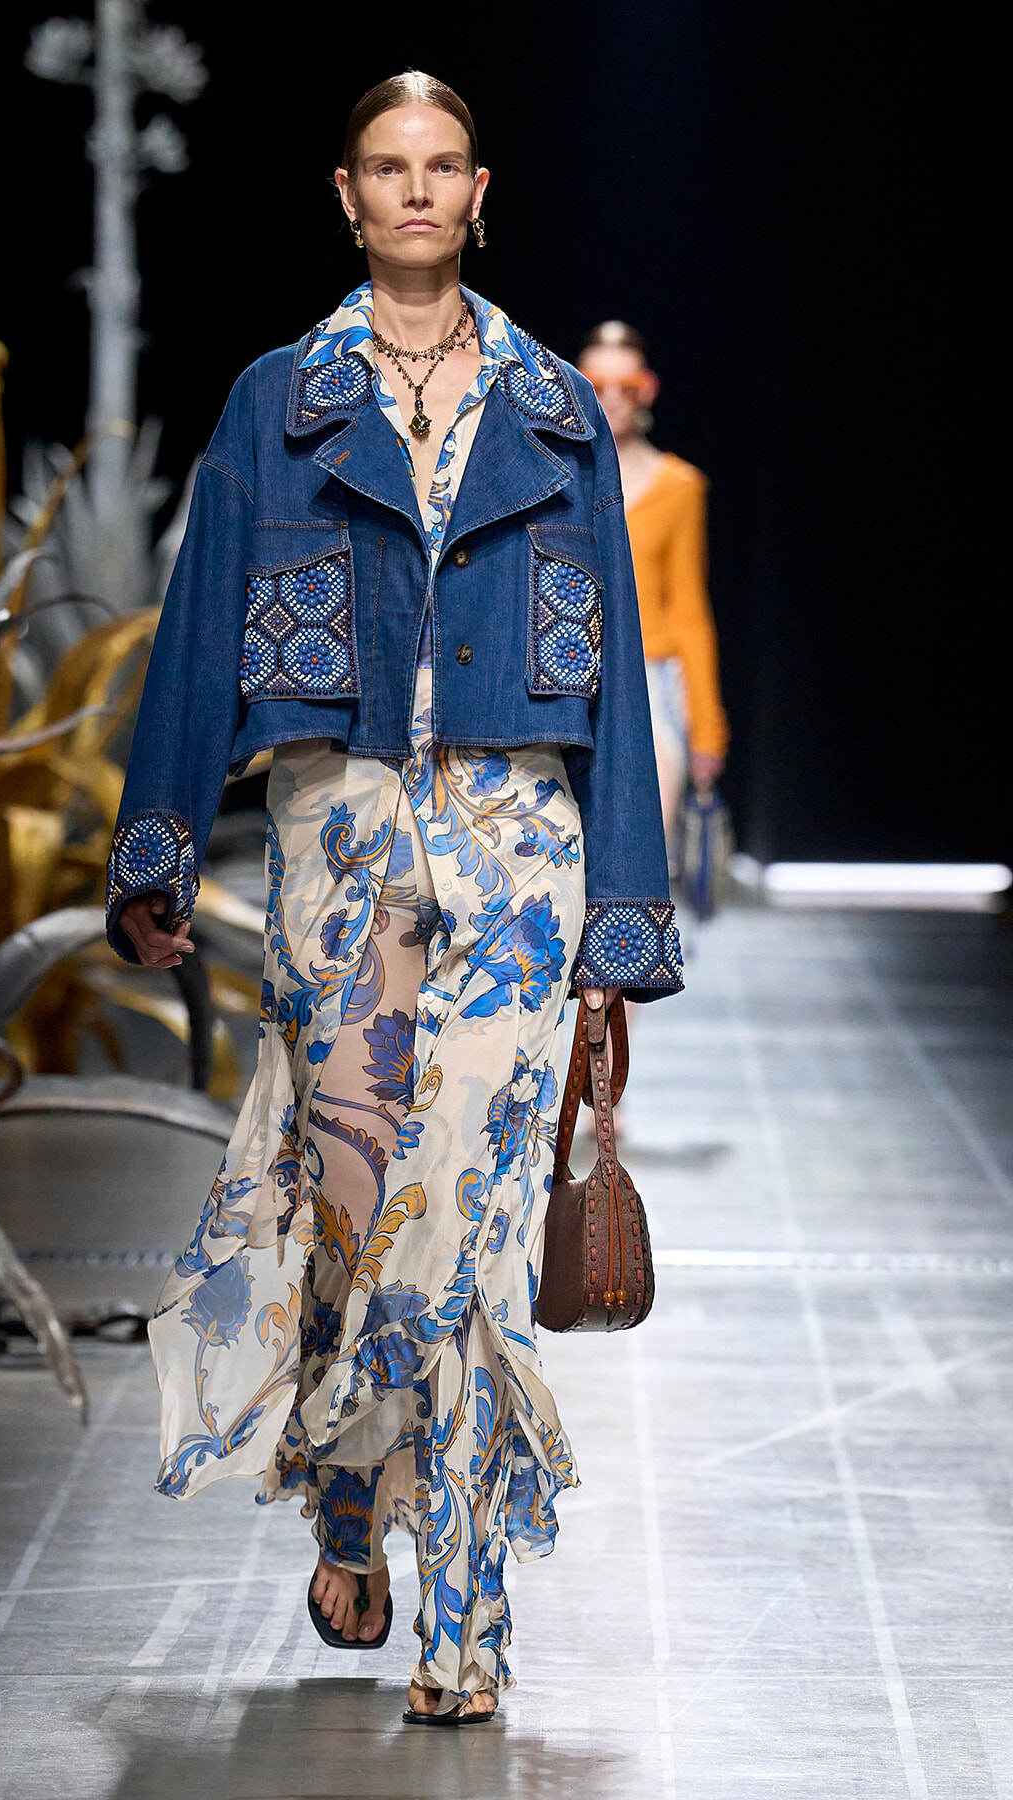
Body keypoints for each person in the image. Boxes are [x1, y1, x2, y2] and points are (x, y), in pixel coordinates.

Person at [105, 72, 682, 1726]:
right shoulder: (277, 402)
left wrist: (621, 915)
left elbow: (618, 675)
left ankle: (469, 1615)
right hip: (338, 837)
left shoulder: (556, 411)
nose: (416, 190)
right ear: (347, 195)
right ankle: (353, 1486)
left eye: (442, 167)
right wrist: (157, 843)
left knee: (472, 1228)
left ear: (479, 193)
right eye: (386, 167)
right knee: (354, 1207)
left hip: (515, 845)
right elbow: (197, 628)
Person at [578, 322, 729, 838]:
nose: (611, 399)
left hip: (650, 677)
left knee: (648, 845)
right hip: (563, 672)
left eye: (627, 387)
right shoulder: (555, 478)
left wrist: (707, 730)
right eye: (596, 385)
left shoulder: (679, 486)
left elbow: (688, 612)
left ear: (648, 389)